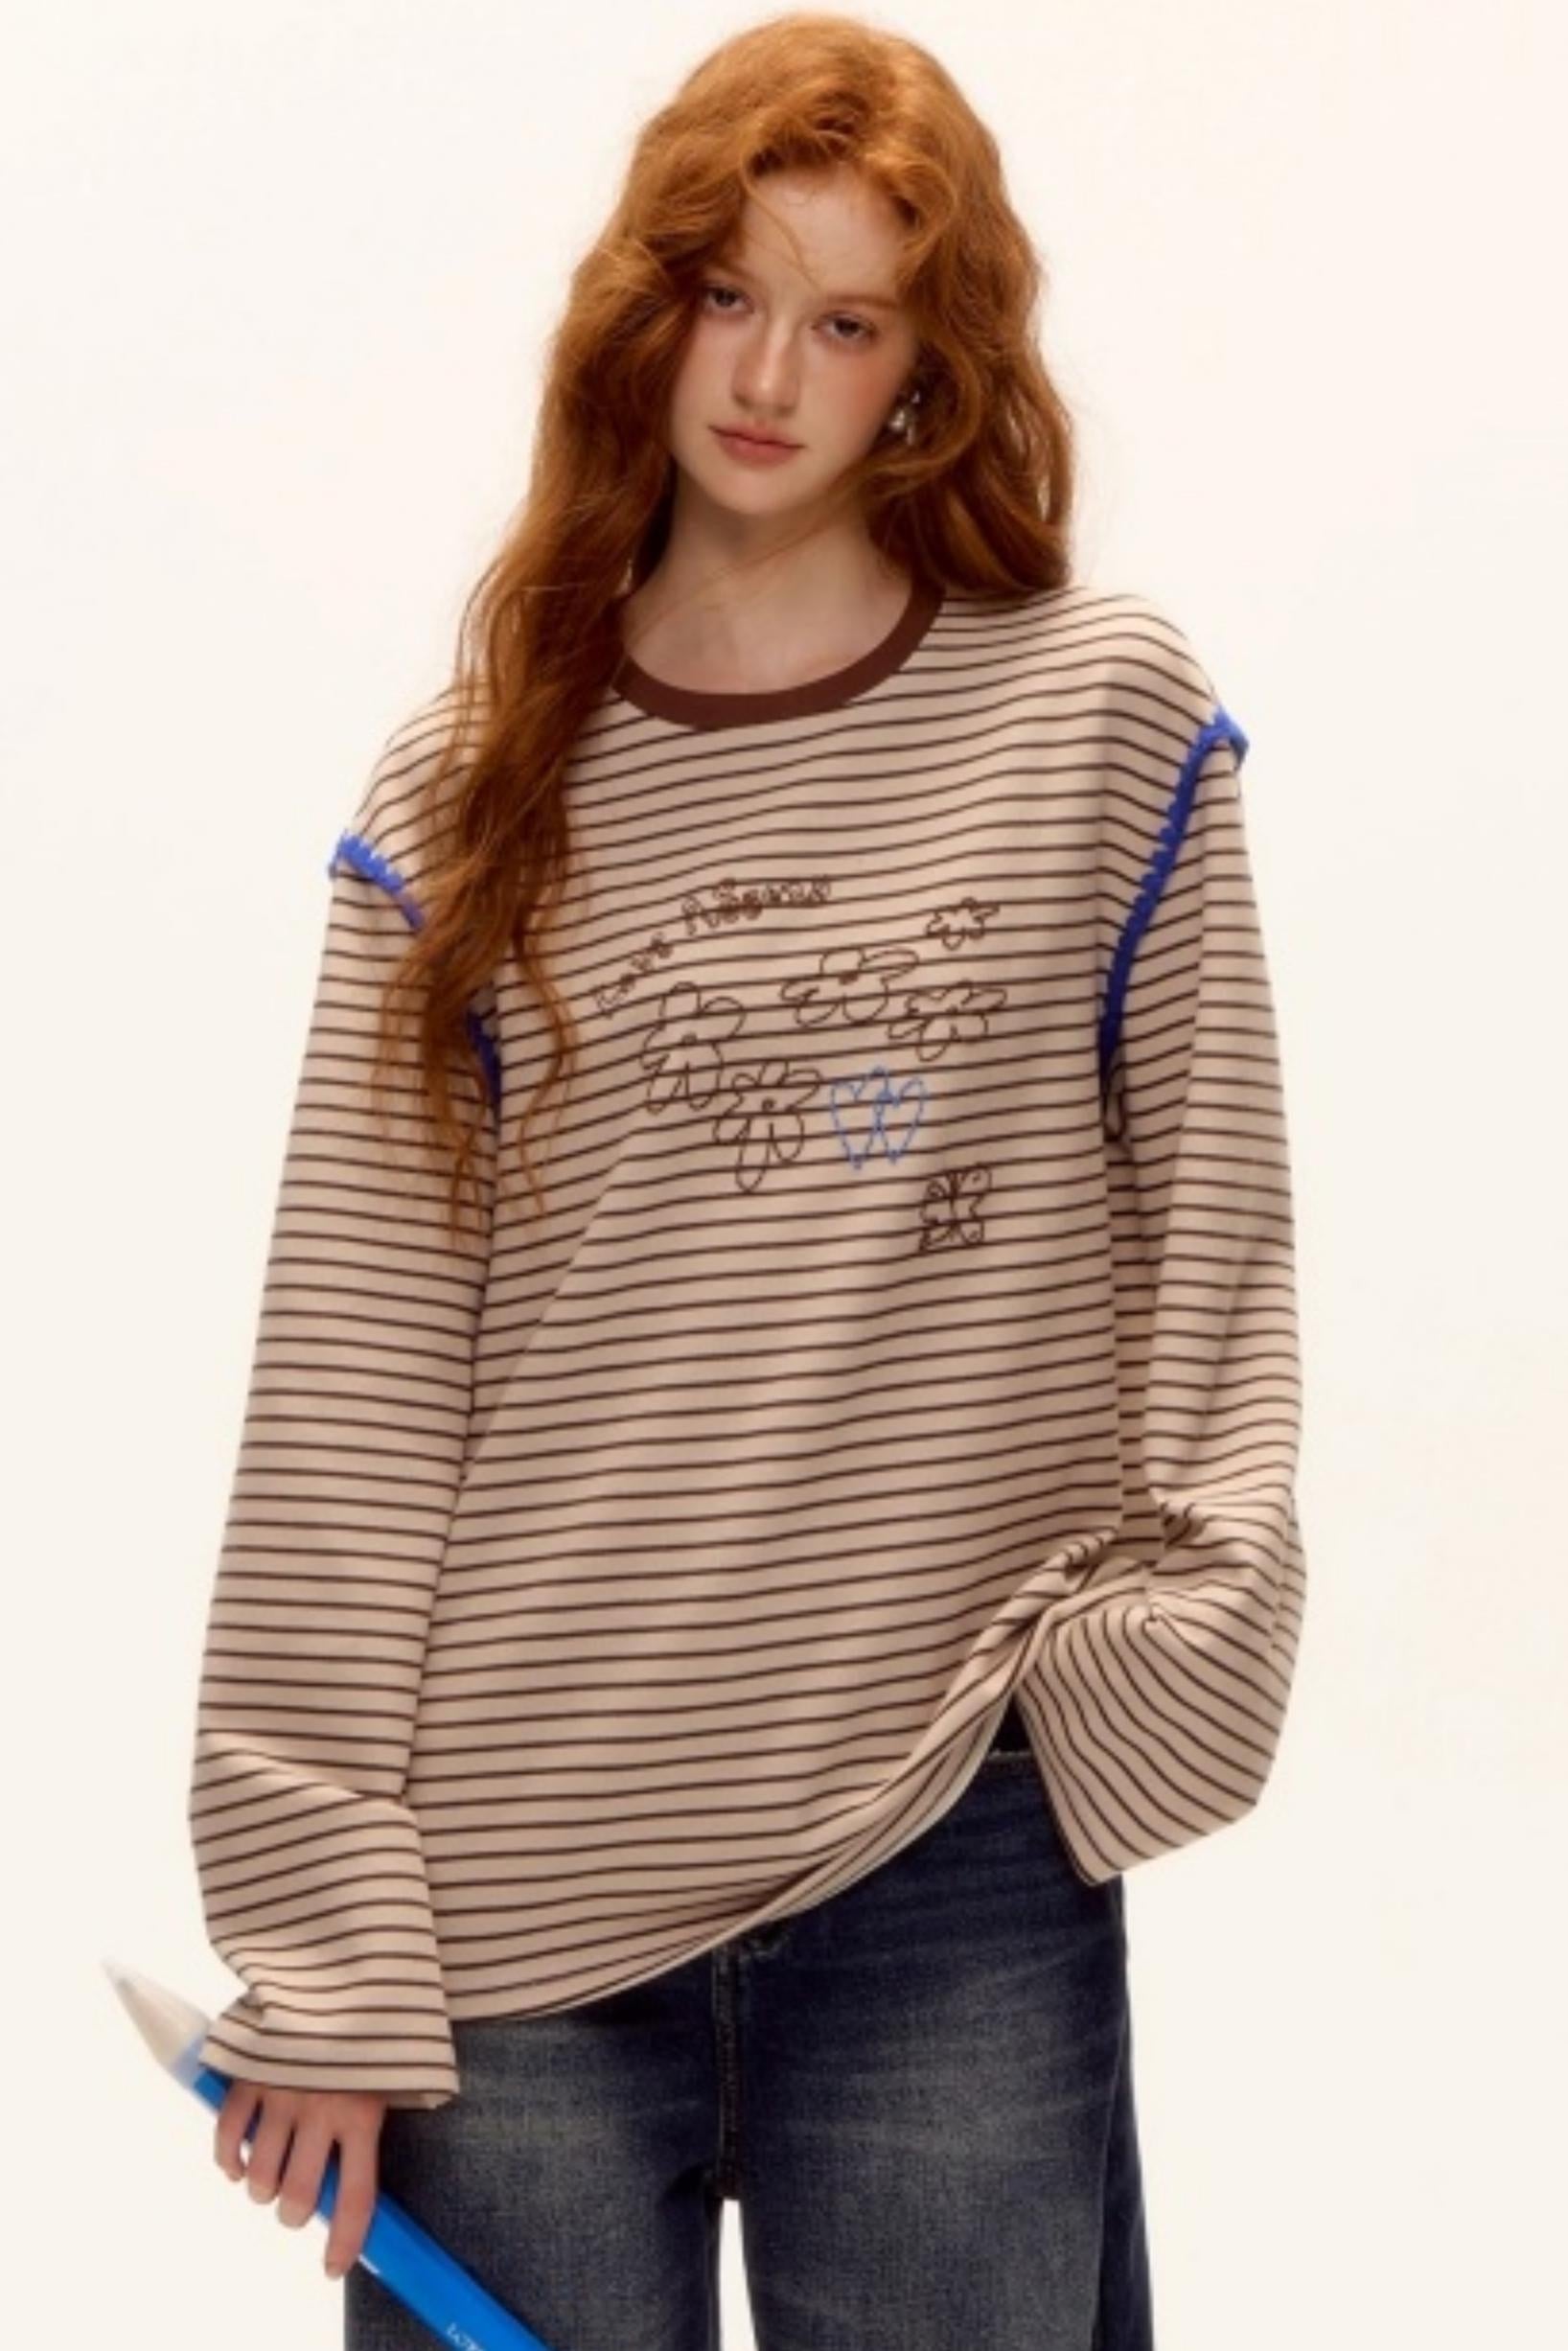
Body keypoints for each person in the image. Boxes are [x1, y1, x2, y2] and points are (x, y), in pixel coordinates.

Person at [186, 14, 1307, 2349]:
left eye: (848, 319)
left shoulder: (1091, 718)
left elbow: (1209, 1242)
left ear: (930, 372)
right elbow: (355, 1391)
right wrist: (320, 1940)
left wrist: (1160, 1664)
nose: (770, 376)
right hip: (507, 1907)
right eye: (727, 293)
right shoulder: (460, 794)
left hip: (943, 1857)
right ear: (645, 308)